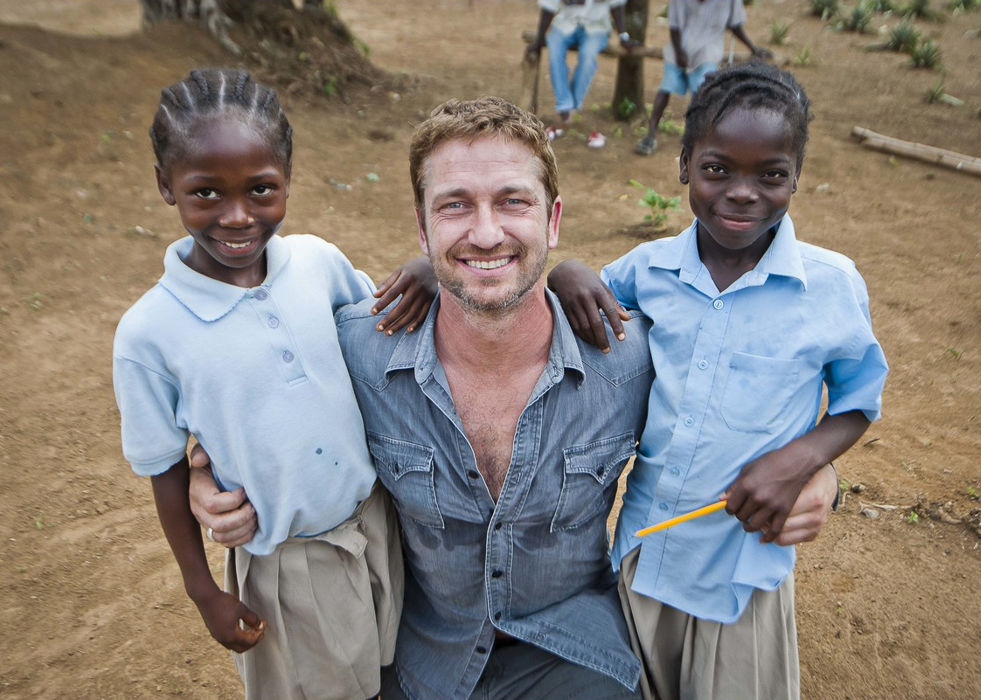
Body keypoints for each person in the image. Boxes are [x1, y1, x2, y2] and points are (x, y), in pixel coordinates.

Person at [190, 94, 840, 700]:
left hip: (574, 654)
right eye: (454, 206)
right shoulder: (359, 349)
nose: (485, 232)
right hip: (417, 657)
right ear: (421, 228)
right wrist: (210, 478)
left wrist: (821, 478)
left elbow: (731, 425)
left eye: (512, 202)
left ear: (552, 220)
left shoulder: (632, 356)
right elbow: (255, 399)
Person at [549, 63, 889, 700]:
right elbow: (589, 296)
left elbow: (857, 403)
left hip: (743, 568)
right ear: (683, 165)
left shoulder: (832, 286)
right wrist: (567, 270)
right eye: (717, 169)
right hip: (645, 551)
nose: (742, 192)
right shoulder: (648, 270)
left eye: (771, 175)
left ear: (795, 177)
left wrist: (803, 460)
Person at [112, 68, 436, 700]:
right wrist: (203, 590)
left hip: (381, 526)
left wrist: (424, 270)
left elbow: (378, 331)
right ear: (164, 185)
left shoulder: (317, 262)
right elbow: (164, 469)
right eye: (205, 193)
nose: (237, 217)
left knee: (400, 672)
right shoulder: (149, 334)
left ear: (287, 177)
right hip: (289, 564)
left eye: (261, 189)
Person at [634, 0, 771, 156]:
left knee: (701, 94)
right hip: (679, 48)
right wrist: (679, 52)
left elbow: (735, 25)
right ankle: (651, 134)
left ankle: (693, 137)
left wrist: (752, 47)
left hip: (708, 51)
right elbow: (674, 27)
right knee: (666, 87)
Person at [525, 0, 637, 146]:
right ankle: (564, 105)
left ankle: (573, 105)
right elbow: (548, 8)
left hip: (596, 28)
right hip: (564, 25)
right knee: (555, 52)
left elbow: (616, 4)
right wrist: (539, 41)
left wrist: (623, 36)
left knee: (588, 57)